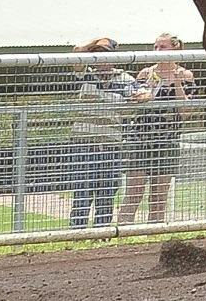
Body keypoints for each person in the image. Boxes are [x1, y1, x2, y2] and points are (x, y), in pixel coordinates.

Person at [113, 34, 189, 229]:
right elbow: (133, 102)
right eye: (155, 47)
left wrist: (177, 83)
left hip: (167, 139)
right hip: (140, 137)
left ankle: (152, 239)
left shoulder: (186, 75)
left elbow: (187, 112)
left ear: (175, 49)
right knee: (134, 192)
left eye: (162, 47)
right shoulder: (145, 73)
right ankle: (122, 234)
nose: (157, 51)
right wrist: (141, 95)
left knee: (158, 197)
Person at [62, 40, 128, 229]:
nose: (101, 58)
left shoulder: (125, 79)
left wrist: (142, 96)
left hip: (111, 148)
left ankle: (102, 236)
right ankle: (77, 235)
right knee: (81, 195)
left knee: (106, 197)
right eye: (97, 53)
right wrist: (95, 42)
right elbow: (76, 52)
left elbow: (141, 94)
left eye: (105, 53)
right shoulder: (84, 75)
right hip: (84, 147)